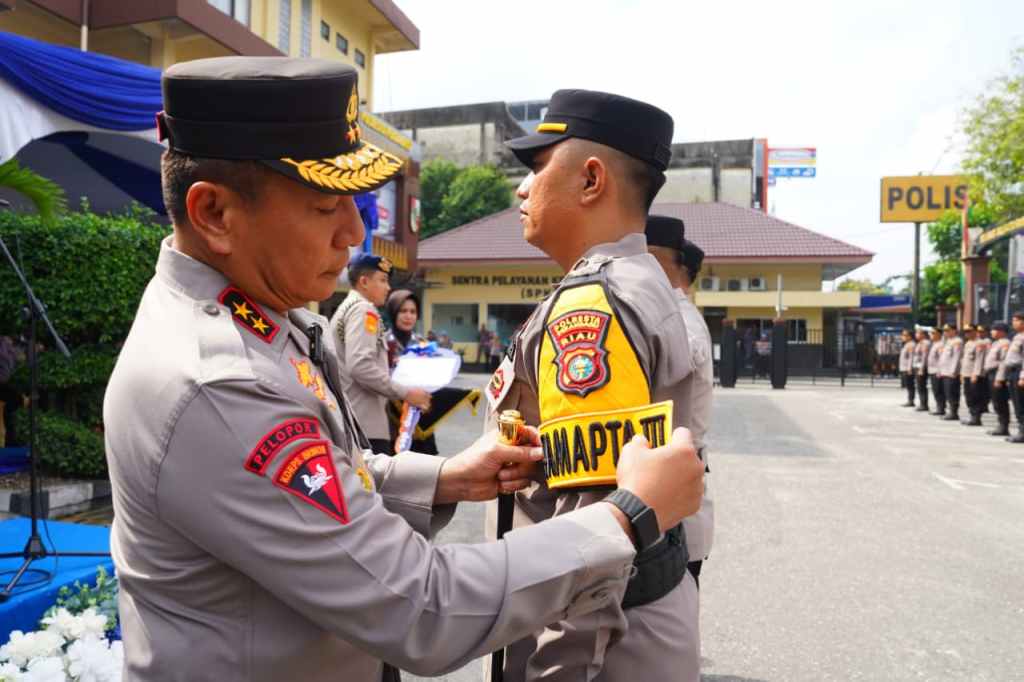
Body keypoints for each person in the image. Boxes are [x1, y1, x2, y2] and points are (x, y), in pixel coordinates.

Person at [104, 58, 707, 682]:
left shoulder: (257, 316)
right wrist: (629, 516)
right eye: (324, 205)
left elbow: (322, 475)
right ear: (215, 215)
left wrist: (447, 477)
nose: (354, 231)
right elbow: (422, 606)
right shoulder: (218, 380)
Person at [490, 88, 699, 682]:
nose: (522, 188)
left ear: (590, 180)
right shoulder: (639, 278)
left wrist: (557, 669)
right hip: (638, 625)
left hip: (599, 646)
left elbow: (593, 536)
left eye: (536, 167)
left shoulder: (593, 305)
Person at [645, 216, 714, 662]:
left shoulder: (677, 323)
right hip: (674, 493)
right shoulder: (674, 316)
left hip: (670, 499)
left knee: (661, 631)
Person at [330, 253, 431, 455]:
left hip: (355, 419)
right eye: (383, 280)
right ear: (364, 282)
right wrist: (407, 393)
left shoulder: (349, 307)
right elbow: (361, 365)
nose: (388, 287)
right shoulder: (363, 310)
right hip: (365, 423)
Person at [385, 289, 438, 455]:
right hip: (392, 417)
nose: (408, 316)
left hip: (420, 416)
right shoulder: (383, 341)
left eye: (413, 312)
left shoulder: (423, 344)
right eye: (403, 311)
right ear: (393, 312)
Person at [996, 312, 1024, 443]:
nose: (1013, 323)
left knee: (1021, 403)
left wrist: (1023, 377)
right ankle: (1020, 430)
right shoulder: (1017, 336)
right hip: (1012, 372)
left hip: (1019, 372)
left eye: (1016, 320)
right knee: (1016, 403)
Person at [984, 322, 1011, 437]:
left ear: (1001, 331)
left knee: (1000, 401)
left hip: (997, 375)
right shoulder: (996, 343)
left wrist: (999, 379)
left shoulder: (1005, 343)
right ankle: (1000, 425)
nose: (991, 332)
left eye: (994, 330)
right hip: (991, 374)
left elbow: (1003, 362)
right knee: (996, 401)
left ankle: (1004, 426)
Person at [939, 324, 963, 421]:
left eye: (947, 330)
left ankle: (954, 412)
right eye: (944, 331)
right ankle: (951, 411)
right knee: (947, 392)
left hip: (951, 372)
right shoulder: (948, 341)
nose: (945, 332)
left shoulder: (957, 341)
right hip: (945, 371)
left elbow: (956, 358)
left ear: (954, 331)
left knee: (952, 393)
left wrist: (953, 371)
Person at [960, 326, 979, 425]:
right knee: (968, 396)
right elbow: (964, 360)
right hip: (966, 373)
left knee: (974, 396)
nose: (967, 333)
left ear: (975, 331)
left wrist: (975, 374)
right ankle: (972, 416)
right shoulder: (968, 343)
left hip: (973, 375)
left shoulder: (979, 343)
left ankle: (976, 418)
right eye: (965, 332)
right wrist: (962, 374)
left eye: (969, 331)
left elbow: (978, 361)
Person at [927, 328, 946, 416]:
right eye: (931, 333)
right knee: (935, 390)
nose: (931, 335)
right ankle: (939, 407)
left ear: (938, 334)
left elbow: (941, 359)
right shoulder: (934, 344)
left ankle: (941, 408)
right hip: (932, 370)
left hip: (937, 371)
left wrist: (939, 370)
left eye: (933, 333)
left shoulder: (941, 345)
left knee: (939, 390)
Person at [973, 324, 991, 416]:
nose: (979, 333)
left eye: (981, 332)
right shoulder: (978, 341)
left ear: (986, 332)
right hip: (978, 370)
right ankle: (983, 406)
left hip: (983, 370)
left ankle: (983, 406)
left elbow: (983, 358)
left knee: (982, 390)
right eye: (978, 332)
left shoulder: (986, 342)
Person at [912, 327, 930, 412]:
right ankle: (922, 403)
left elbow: (924, 357)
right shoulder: (919, 343)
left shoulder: (925, 343)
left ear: (923, 334)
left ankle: (924, 404)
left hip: (921, 367)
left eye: (918, 333)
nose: (916, 335)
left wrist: (921, 368)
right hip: (917, 367)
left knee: (922, 386)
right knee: (919, 386)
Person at [898, 328, 916, 407]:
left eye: (905, 335)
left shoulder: (911, 344)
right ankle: (909, 400)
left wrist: (909, 368)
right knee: (908, 385)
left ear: (910, 336)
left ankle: (911, 401)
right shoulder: (906, 344)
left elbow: (911, 358)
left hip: (907, 369)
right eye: (902, 335)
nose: (902, 336)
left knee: (910, 385)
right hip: (904, 368)